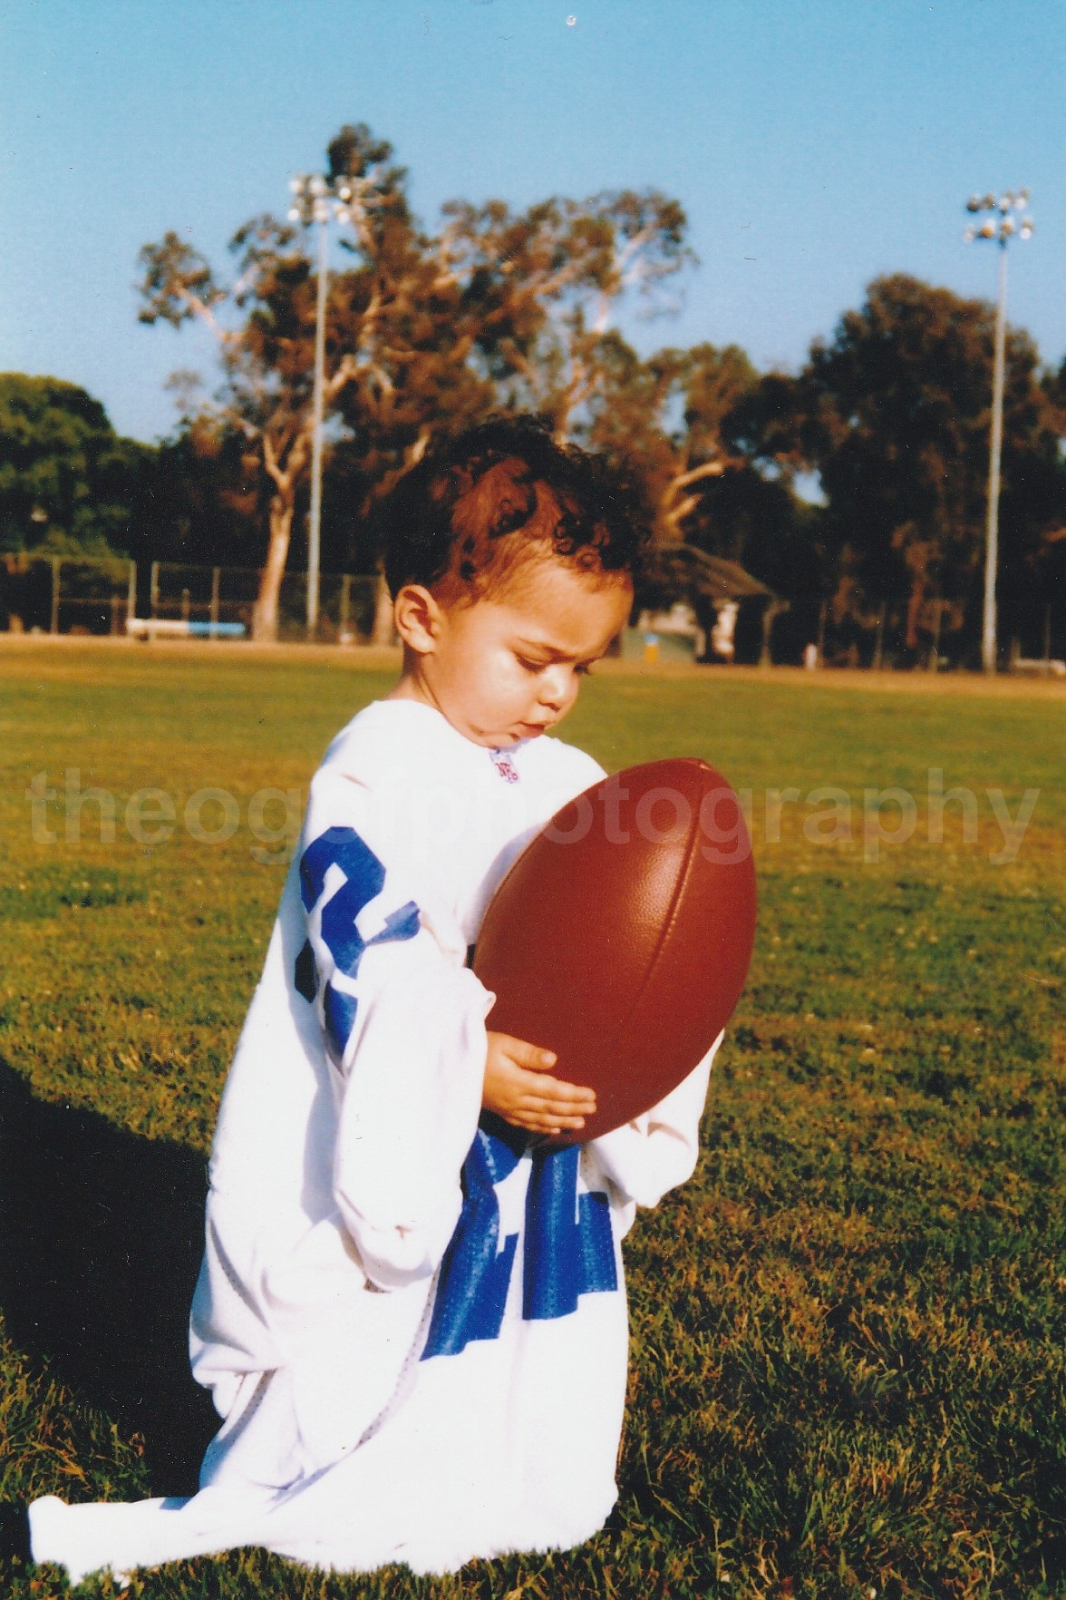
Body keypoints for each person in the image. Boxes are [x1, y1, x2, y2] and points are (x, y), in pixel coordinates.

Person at [28, 416, 721, 1586]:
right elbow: (372, 962)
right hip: (399, 1121)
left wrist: (627, 1058)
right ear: (421, 617)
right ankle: (337, 1468)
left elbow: (632, 949)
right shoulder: (376, 765)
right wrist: (471, 1062)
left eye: (583, 668)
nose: (558, 695)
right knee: (357, 1331)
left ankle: (484, 1462)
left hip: (527, 1138)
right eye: (532, 659)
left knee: (499, 1318)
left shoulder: (569, 780)